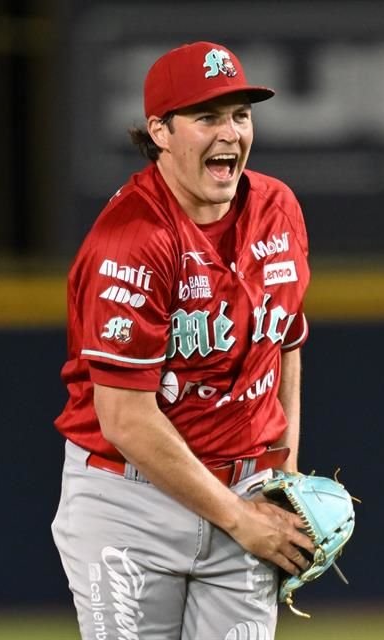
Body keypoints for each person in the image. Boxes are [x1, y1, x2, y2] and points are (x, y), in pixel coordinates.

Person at [51, 41, 315, 640]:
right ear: (160, 131)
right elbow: (123, 418)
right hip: (131, 504)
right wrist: (242, 521)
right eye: (207, 117)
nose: (230, 133)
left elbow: (286, 345)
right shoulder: (133, 238)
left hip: (247, 486)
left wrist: (286, 475)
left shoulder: (278, 208)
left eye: (240, 115)